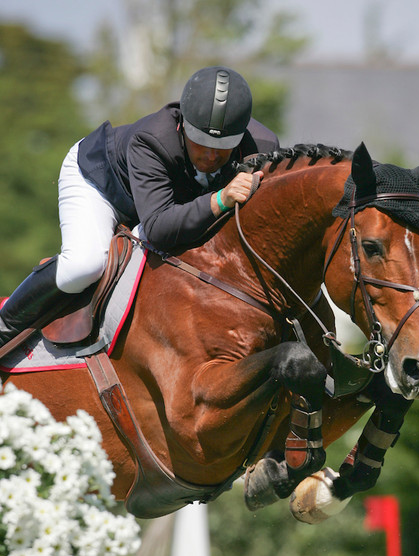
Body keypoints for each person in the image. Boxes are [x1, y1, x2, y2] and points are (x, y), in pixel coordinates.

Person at [0, 65, 279, 346]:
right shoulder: (152, 139)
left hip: (160, 205)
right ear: (182, 124)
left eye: (222, 146)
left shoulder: (262, 147)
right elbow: (158, 228)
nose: (209, 155)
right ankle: (3, 325)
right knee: (85, 265)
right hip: (101, 183)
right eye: (200, 142)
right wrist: (220, 199)